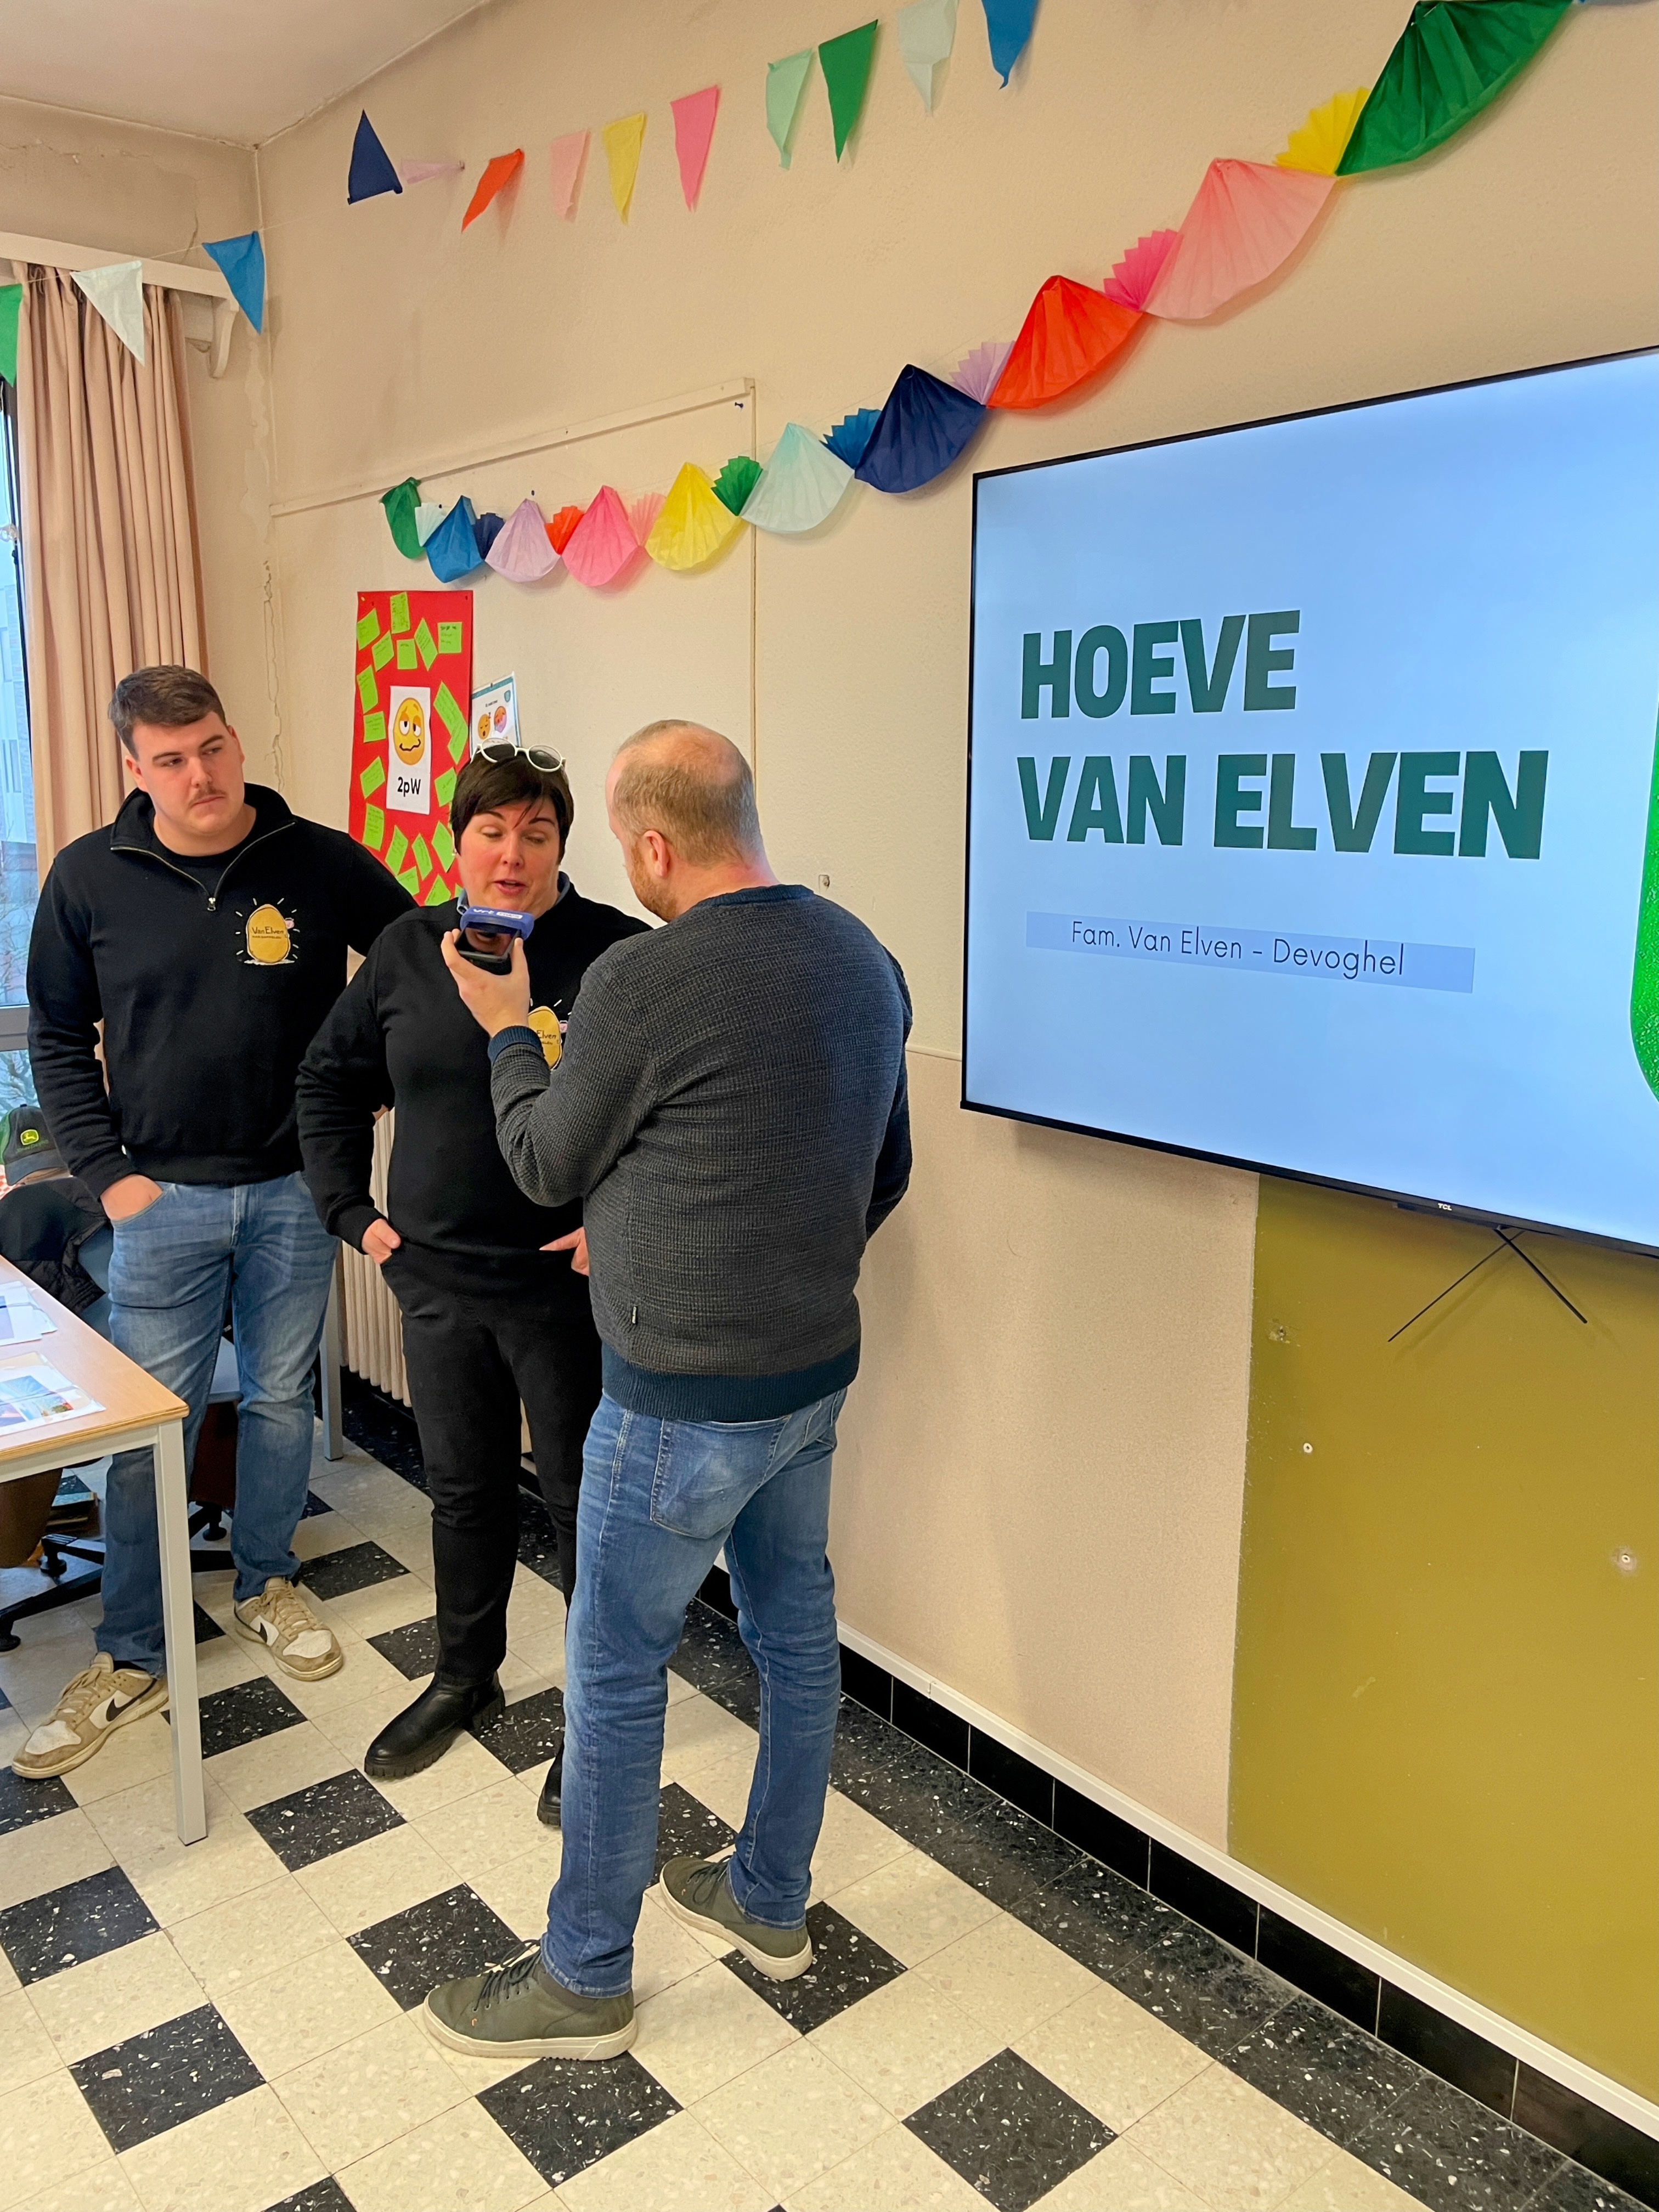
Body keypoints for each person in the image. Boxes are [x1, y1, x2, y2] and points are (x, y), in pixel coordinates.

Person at [422, 720, 911, 2063]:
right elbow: (880, 1173)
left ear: (648, 847)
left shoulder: (640, 977)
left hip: (675, 1400)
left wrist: (509, 1029)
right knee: (795, 1635)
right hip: (810, 1379)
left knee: (615, 1665)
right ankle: (769, 1897)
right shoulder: (864, 958)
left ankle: (583, 1976)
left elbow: (544, 1161)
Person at [15, 666, 411, 1781]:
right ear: (134, 769)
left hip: (294, 1190)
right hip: (158, 1202)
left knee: (283, 1397)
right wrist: (108, 1176)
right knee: (156, 1427)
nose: (201, 776)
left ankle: (266, 1582)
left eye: (214, 749)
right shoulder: (88, 876)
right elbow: (56, 1035)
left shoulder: (317, 859)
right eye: (172, 760)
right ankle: (133, 1651)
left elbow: (416, 967)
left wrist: (368, 1090)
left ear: (236, 741)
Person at [296, 747, 645, 1798]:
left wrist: (616, 1224)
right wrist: (351, 1214)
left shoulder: (617, 956)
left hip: (563, 1290)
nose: (511, 855)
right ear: (458, 842)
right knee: (463, 1492)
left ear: (562, 846)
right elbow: (328, 1079)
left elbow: (671, 1110)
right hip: (437, 1281)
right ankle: (465, 1674)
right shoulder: (409, 949)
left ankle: (597, 1717)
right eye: (491, 832)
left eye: (536, 834)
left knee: (584, 1505)